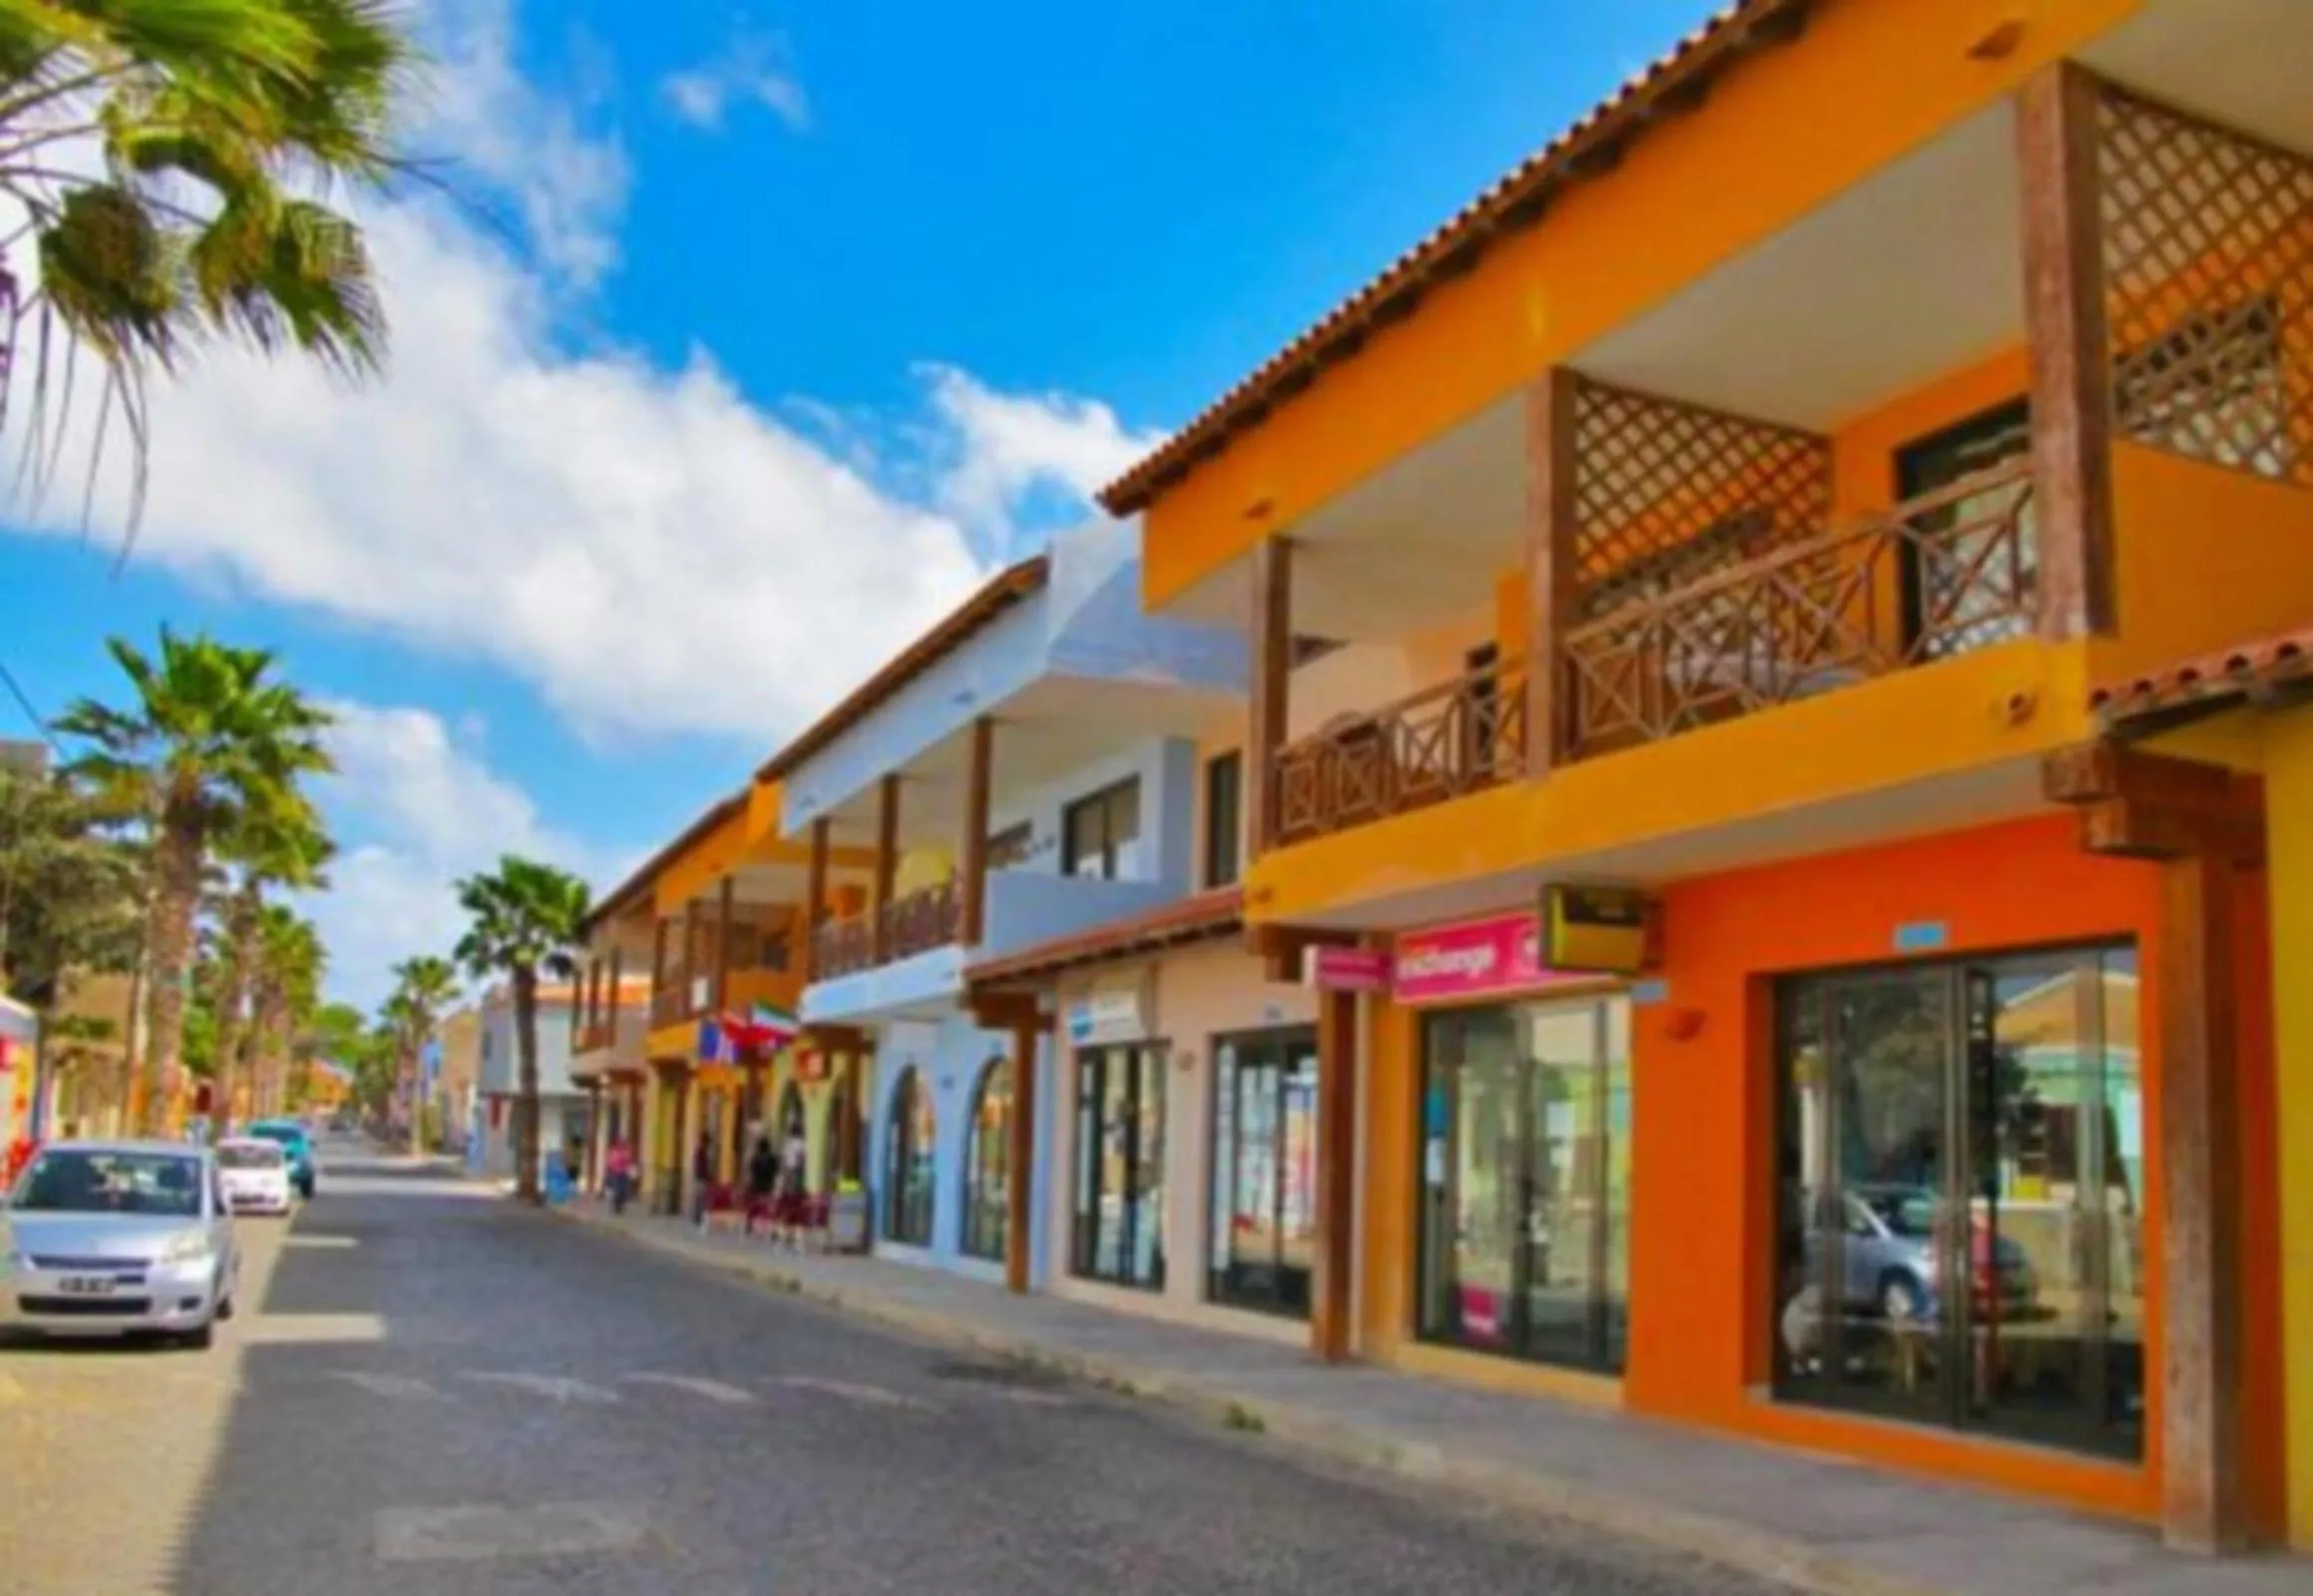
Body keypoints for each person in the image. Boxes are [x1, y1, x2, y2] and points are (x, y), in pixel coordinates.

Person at [775, 1118, 810, 1250]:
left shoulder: (787, 1145)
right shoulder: (801, 1145)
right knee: (798, 1211)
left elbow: (783, 1164)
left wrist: (782, 1182)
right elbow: (802, 1162)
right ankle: (797, 1239)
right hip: (796, 1179)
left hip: (787, 1179)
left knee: (786, 1210)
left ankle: (783, 1237)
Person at [744, 1134, 779, 1238]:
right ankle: (770, 1228)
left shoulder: (756, 1158)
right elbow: (776, 1171)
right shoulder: (772, 1159)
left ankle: (749, 1225)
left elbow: (751, 1171)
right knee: (767, 1208)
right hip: (768, 1187)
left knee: (754, 1207)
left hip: (757, 1186)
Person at [689, 1127, 715, 1230]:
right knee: (700, 1199)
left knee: (700, 1198)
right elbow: (701, 1166)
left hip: (700, 1178)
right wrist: (705, 1176)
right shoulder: (702, 1151)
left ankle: (697, 1217)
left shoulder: (701, 1151)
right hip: (701, 1178)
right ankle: (697, 1217)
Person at [604, 1136, 635, 1216]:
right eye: (620, 1143)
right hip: (616, 1173)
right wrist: (611, 1169)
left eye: (622, 1143)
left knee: (623, 1190)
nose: (621, 1144)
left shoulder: (626, 1151)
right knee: (617, 1190)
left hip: (624, 1173)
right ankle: (616, 1206)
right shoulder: (614, 1151)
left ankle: (620, 1205)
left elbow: (628, 1161)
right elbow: (611, 1162)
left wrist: (630, 1169)